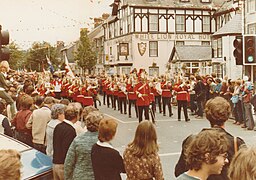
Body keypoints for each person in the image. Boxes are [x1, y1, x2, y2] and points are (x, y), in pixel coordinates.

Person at [175, 96, 245, 180]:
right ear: (227, 115)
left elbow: (179, 170)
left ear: (208, 116)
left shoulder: (193, 140)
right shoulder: (236, 142)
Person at [64, 110, 103, 180]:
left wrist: (67, 177)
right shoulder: (103, 141)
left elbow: (69, 162)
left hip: (79, 176)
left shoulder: (78, 140)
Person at [52, 105, 77, 180]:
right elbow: (67, 150)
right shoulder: (70, 130)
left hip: (55, 163)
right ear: (76, 117)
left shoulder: (58, 126)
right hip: (63, 165)